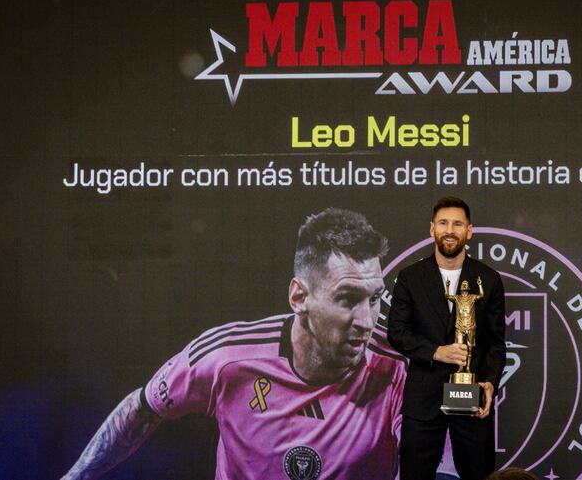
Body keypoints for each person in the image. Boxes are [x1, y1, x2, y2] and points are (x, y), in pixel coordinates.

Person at [62, 208, 405, 480]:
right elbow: (142, 410)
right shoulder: (225, 357)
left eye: (374, 299)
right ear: (299, 297)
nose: (366, 319)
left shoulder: (399, 368)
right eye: (347, 299)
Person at [387, 197, 506, 480]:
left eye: (457, 223)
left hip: (472, 398)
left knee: (479, 475)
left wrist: (489, 383)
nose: (449, 230)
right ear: (432, 229)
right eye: (443, 223)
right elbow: (397, 332)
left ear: (469, 231)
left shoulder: (488, 280)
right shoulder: (410, 278)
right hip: (423, 400)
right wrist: (436, 351)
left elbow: (496, 343)